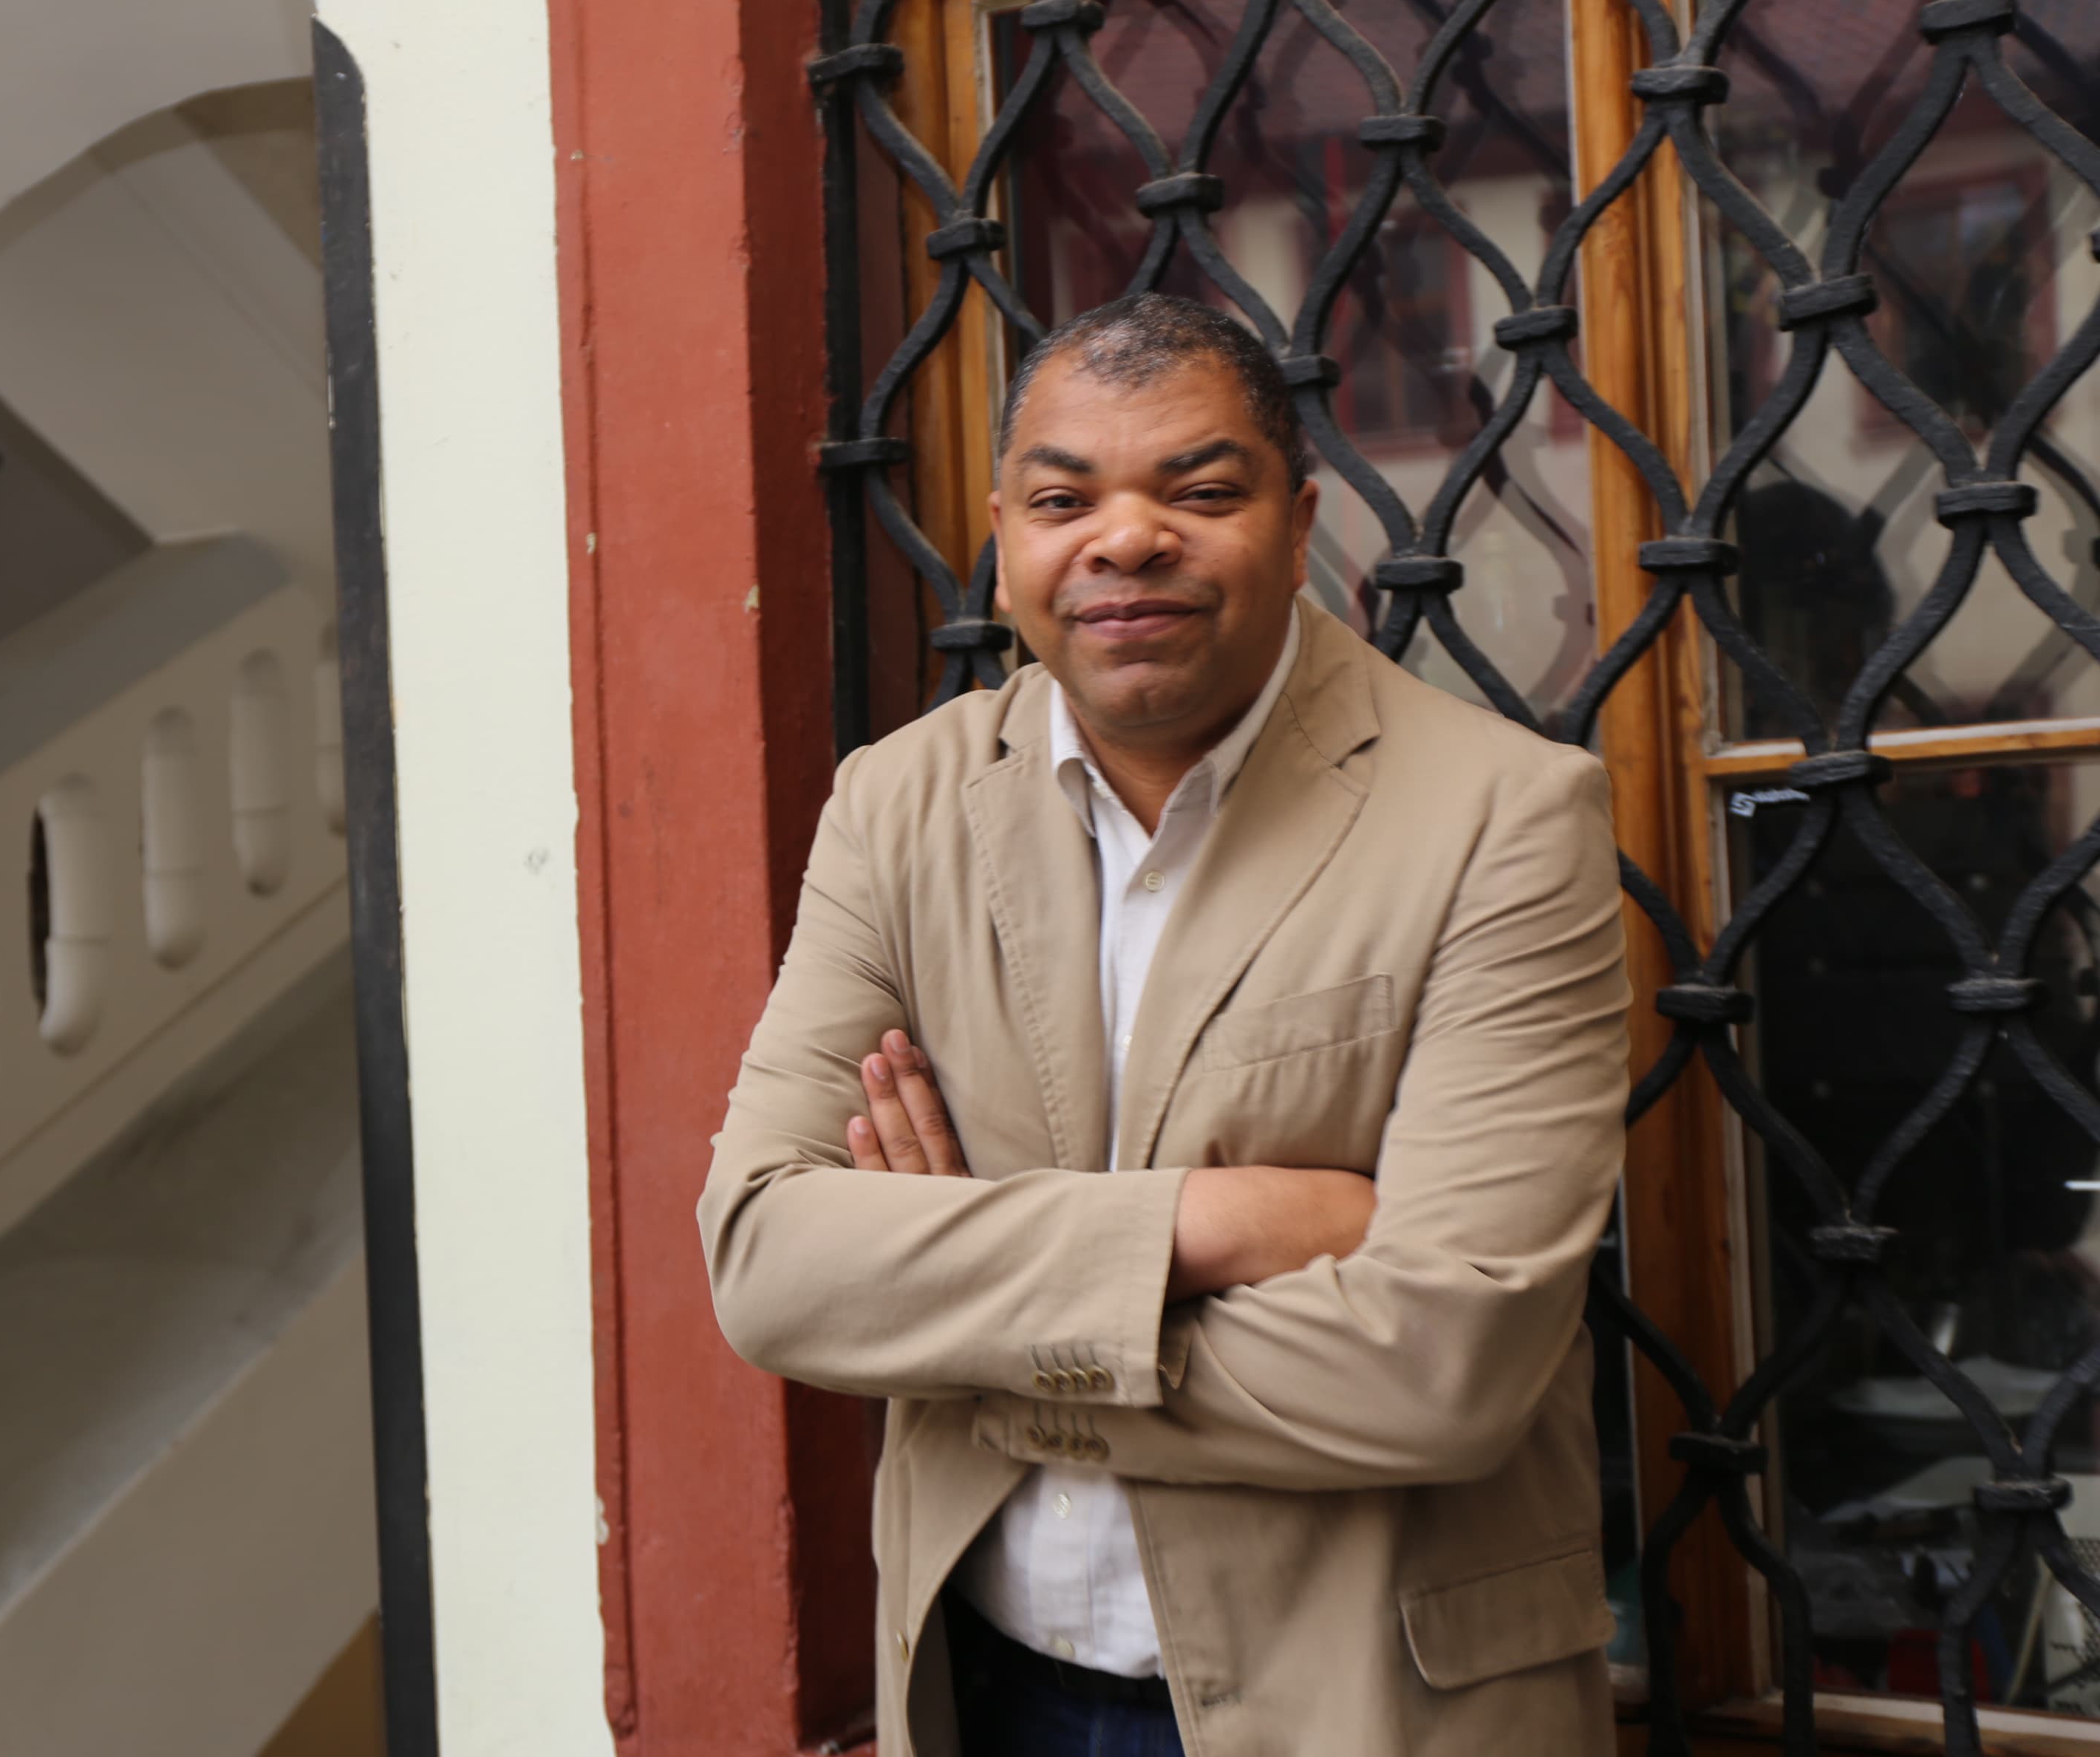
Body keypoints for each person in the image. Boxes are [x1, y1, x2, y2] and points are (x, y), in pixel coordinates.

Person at [698, 293, 1630, 1756]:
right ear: (1003, 535)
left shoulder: (1501, 819)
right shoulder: (898, 803)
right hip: (986, 1687)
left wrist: (971, 1325)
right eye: (1064, 499)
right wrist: (1214, 1224)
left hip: (1364, 1706)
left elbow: (1446, 1367)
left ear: (1299, 522)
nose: (1125, 539)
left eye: (1198, 491)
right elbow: (766, 1261)